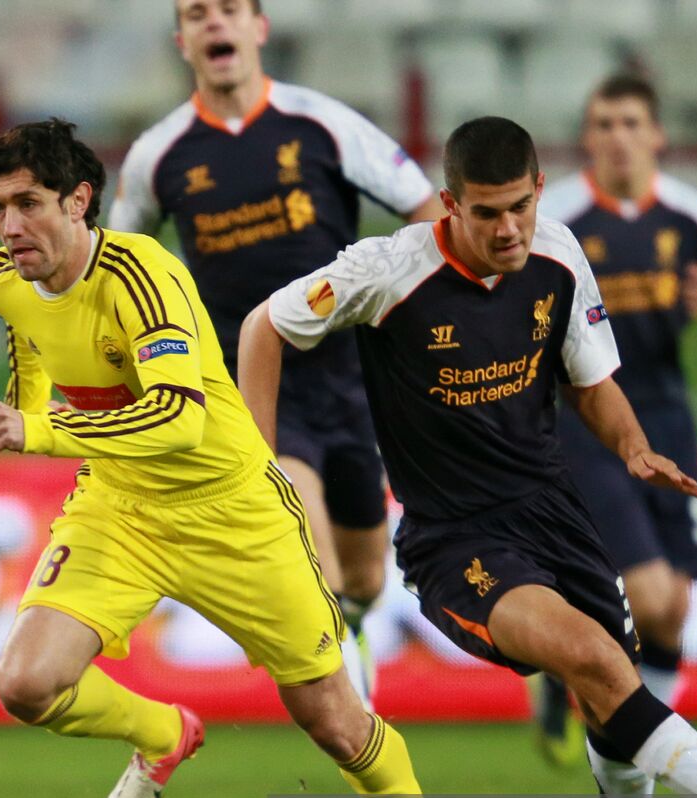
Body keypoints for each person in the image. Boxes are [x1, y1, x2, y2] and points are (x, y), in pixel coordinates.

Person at [237, 116, 697, 798]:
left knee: (609, 680)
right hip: (454, 539)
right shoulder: (385, 271)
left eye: (519, 205)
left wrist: (631, 445)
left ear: (539, 189)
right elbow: (262, 325)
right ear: (448, 204)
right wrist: (257, 465)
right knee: (592, 659)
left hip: (553, 513)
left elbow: (590, 380)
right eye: (485, 213)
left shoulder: (557, 254)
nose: (507, 228)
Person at [0, 119, 466, 798]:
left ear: (79, 200)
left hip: (233, 512)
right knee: (25, 684)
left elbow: (178, 418)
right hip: (122, 508)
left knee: (335, 724)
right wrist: (20, 411)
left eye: (27, 203)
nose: (8, 225)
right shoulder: (5, 277)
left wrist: (43, 429)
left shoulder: (142, 274)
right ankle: (163, 735)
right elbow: (29, 344)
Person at [107, 0, 444, 709]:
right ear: (182, 41)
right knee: (307, 560)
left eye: (228, 10)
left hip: (352, 379)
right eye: (197, 14)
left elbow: (425, 207)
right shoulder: (158, 155)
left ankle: (351, 638)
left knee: (363, 579)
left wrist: (412, 302)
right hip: (251, 385)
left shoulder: (321, 124)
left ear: (258, 28)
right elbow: (119, 268)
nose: (214, 24)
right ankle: (362, 740)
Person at [531, 74, 697, 765]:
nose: (617, 138)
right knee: (644, 590)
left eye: (631, 123)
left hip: (667, 419)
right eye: (603, 124)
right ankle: (632, 752)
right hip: (586, 422)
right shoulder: (559, 220)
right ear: (586, 137)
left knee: (671, 613)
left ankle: (603, 715)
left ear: (657, 135)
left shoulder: (693, 217)